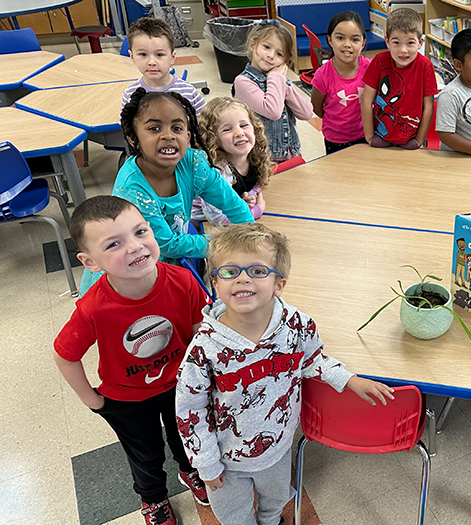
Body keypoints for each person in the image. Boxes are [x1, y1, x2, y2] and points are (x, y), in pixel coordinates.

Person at [175, 223, 394, 525]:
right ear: (215, 282)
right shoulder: (204, 349)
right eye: (229, 272)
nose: (242, 279)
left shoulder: (297, 325)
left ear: (279, 284)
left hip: (278, 448)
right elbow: (190, 411)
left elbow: (313, 359)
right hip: (226, 460)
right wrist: (206, 464)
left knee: (277, 500)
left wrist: (348, 379)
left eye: (257, 271)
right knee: (234, 517)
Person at [54, 196, 211, 525]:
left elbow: (201, 330)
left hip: (182, 385)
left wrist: (204, 376)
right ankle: (153, 498)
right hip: (125, 398)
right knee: (145, 453)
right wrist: (93, 400)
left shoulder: (182, 281)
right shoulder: (94, 308)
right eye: (114, 243)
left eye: (140, 232)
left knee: (188, 436)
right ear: (91, 262)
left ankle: (191, 470)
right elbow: (65, 354)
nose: (135, 247)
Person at [80, 90, 254, 296]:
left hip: (172, 261)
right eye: (154, 128)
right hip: (134, 274)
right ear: (133, 139)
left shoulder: (194, 163)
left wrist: (250, 234)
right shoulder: (132, 189)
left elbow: (232, 204)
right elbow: (167, 244)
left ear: (188, 137)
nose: (168, 135)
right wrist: (230, 244)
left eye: (177, 128)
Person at [234, 20, 315, 162]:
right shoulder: (243, 82)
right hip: (264, 158)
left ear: (285, 61)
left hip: (292, 153)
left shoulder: (278, 79)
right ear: (253, 45)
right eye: (266, 47)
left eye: (279, 54)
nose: (271, 56)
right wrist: (276, 77)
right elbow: (273, 111)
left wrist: (284, 85)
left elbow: (306, 113)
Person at [361, 8, 439, 149]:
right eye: (396, 42)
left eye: (410, 43)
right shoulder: (379, 61)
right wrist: (370, 136)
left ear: (420, 43)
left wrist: (419, 140)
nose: (403, 50)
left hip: (411, 139)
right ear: (387, 41)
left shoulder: (425, 66)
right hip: (380, 136)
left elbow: (428, 107)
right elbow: (366, 100)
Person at [193, 97, 273, 225]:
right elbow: (217, 219)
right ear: (213, 139)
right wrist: (257, 210)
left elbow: (253, 185)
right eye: (227, 129)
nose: (239, 133)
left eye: (244, 125)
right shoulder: (217, 170)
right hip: (198, 225)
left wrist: (248, 197)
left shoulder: (256, 156)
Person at [311, 11, 372, 154]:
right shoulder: (322, 74)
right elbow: (316, 107)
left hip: (366, 135)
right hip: (335, 139)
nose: (347, 45)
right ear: (330, 40)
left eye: (355, 40)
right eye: (340, 38)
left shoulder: (371, 68)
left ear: (363, 43)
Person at [121, 17, 205, 115]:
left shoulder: (189, 92)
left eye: (159, 55)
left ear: (172, 57)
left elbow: (205, 124)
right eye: (143, 54)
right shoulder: (130, 95)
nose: (151, 62)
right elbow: (126, 127)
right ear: (132, 57)